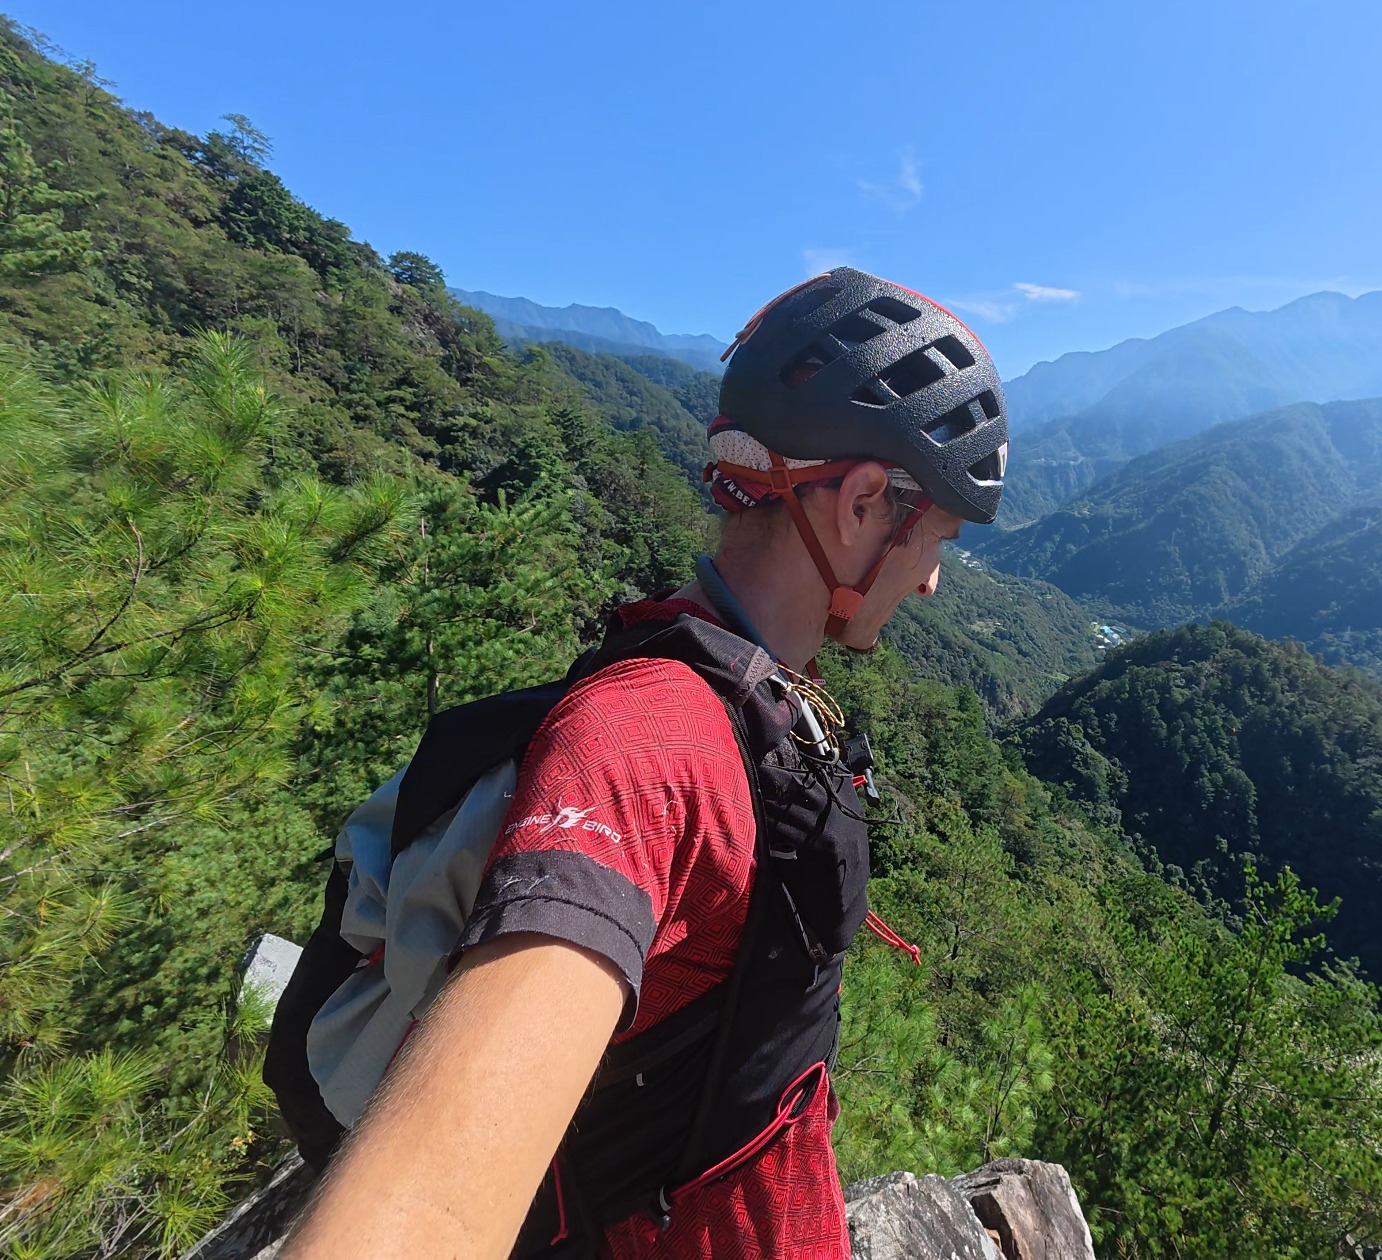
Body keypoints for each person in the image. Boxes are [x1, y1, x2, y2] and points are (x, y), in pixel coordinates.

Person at [283, 267, 1009, 1260]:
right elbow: (417, 1214)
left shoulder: (733, 684)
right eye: (937, 538)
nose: (931, 580)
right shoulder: (650, 742)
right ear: (864, 503)